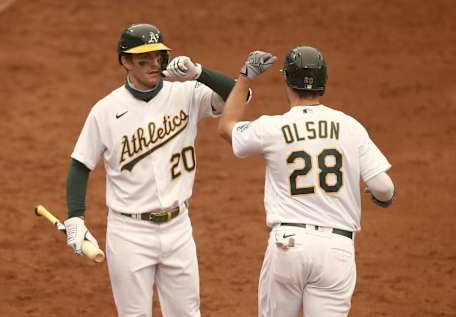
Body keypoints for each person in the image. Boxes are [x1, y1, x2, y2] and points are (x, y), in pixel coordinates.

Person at [63, 23, 239, 317]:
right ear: (126, 62)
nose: (155, 65)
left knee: (187, 313)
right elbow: (80, 164)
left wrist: (200, 73)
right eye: (144, 59)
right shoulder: (105, 110)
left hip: (178, 227)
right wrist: (75, 217)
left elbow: (237, 97)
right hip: (129, 232)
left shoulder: (186, 93)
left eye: (159, 57)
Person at [218, 48, 395, 317]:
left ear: (287, 81)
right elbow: (383, 187)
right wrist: (381, 198)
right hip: (337, 249)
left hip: (289, 244)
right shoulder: (350, 126)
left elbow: (227, 126)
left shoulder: (272, 127)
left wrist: (245, 77)